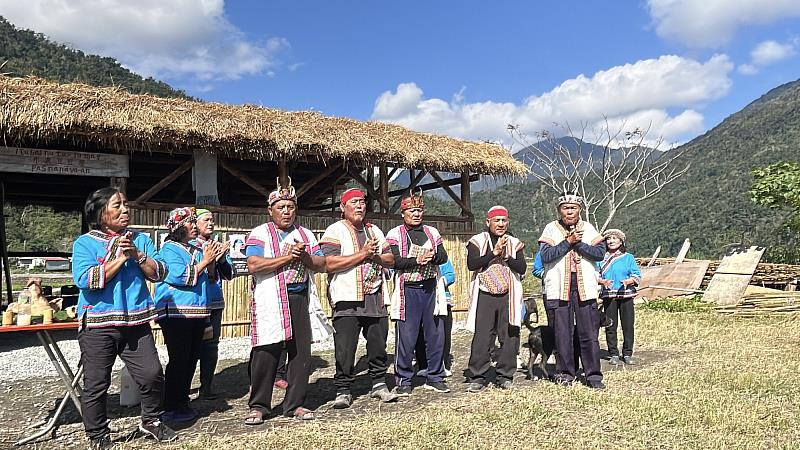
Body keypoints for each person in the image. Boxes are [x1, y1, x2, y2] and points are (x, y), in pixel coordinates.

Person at [72, 187, 176, 449]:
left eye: (126, 205)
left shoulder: (139, 240)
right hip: (98, 325)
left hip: (136, 324)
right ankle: (97, 436)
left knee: (152, 374)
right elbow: (86, 280)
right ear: (100, 212)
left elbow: (160, 272)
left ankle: (150, 420)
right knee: (96, 383)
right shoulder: (84, 243)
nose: (125, 210)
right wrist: (120, 259)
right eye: (117, 205)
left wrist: (137, 256)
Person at [243, 180, 329, 423]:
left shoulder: (306, 235)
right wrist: (285, 257)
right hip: (271, 297)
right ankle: (259, 405)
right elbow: (254, 265)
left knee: (301, 352)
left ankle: (295, 404)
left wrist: (305, 257)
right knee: (266, 350)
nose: (286, 211)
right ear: (270, 210)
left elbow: (322, 264)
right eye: (281, 206)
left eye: (290, 206)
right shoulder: (260, 233)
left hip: (299, 296)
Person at [320, 188, 398, 408]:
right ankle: (343, 389)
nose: (360, 206)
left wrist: (376, 257)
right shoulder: (334, 231)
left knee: (378, 344)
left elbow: (391, 259)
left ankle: (379, 384)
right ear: (343, 207)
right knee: (345, 347)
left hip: (375, 296)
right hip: (347, 299)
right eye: (354, 202)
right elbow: (329, 263)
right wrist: (363, 254)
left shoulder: (375, 231)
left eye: (362, 202)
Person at [154, 207, 224, 423]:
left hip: (196, 312)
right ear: (177, 227)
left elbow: (209, 278)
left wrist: (213, 261)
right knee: (179, 359)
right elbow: (178, 276)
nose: (195, 226)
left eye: (195, 222)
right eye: (190, 222)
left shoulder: (194, 248)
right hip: (176, 313)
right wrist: (205, 261)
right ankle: (172, 405)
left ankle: (182, 401)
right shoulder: (169, 249)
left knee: (192, 357)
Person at [538, 193, 606, 389]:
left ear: (579, 210)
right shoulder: (551, 229)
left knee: (589, 333)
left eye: (573, 207)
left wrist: (578, 243)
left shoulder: (589, 228)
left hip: (585, 287)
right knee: (562, 333)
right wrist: (568, 242)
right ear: (559, 210)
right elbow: (546, 256)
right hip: (560, 287)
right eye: (565, 208)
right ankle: (565, 373)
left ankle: (593, 376)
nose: (569, 211)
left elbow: (599, 253)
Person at [386, 191, 450, 395]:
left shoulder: (432, 232)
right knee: (406, 335)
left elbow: (443, 256)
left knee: (435, 334)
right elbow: (395, 261)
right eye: (412, 210)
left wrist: (431, 257)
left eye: (419, 210)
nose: (416, 214)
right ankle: (403, 380)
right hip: (409, 289)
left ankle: (435, 376)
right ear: (403, 212)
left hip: (430, 287)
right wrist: (416, 261)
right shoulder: (395, 234)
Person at [465, 206, 527, 392]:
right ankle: (477, 375)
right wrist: (493, 253)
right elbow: (472, 264)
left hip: (508, 294)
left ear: (508, 222)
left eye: (504, 221)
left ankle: (505, 375)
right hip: (485, 294)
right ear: (488, 222)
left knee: (509, 334)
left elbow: (522, 267)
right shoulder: (477, 241)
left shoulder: (515, 243)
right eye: (496, 220)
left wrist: (506, 256)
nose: (500, 224)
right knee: (483, 335)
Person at [194, 209, 234, 399]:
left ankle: (206, 386)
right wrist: (207, 261)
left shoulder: (217, 246)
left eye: (213, 220)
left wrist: (222, 259)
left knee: (211, 346)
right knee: (191, 344)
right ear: (195, 223)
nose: (211, 223)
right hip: (194, 303)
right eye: (206, 220)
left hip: (215, 302)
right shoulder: (190, 246)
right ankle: (182, 386)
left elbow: (230, 274)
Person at [597, 228, 641, 366]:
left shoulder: (628, 258)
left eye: (614, 238)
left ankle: (627, 353)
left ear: (621, 241)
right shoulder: (600, 259)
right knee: (610, 325)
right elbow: (595, 275)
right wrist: (602, 281)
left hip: (626, 295)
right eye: (608, 239)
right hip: (609, 296)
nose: (611, 241)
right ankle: (613, 353)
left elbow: (636, 274)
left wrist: (629, 281)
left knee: (628, 326)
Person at [414, 259, 456, 378]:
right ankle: (423, 365)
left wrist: (438, 282)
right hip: (420, 298)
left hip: (441, 299)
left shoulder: (441, 258)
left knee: (443, 332)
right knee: (420, 332)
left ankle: (442, 364)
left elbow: (450, 275)